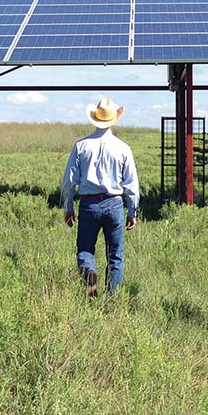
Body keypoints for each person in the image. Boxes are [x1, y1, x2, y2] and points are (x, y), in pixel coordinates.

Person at [61, 98, 140, 297]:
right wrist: (132, 211)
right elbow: (131, 184)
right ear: (113, 120)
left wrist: (68, 206)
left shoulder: (81, 146)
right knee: (115, 255)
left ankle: (89, 271)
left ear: (94, 118)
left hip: (89, 203)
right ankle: (112, 299)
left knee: (85, 249)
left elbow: (70, 181)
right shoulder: (123, 148)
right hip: (114, 202)